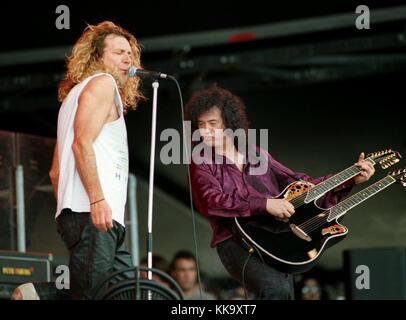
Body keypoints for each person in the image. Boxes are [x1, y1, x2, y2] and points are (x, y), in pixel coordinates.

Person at [186, 85, 375, 300]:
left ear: (229, 124)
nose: (205, 131)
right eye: (201, 125)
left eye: (213, 124)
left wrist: (350, 178)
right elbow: (212, 201)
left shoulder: (256, 154)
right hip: (234, 241)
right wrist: (265, 203)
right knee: (275, 289)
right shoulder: (201, 162)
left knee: (284, 294)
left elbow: (301, 184)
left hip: (275, 237)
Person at [12, 21, 145, 300]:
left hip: (87, 214)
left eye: (129, 53)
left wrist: (69, 210)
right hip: (95, 212)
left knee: (124, 293)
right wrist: (95, 200)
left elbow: (55, 171)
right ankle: (37, 295)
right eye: (118, 52)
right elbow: (81, 143)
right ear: (98, 57)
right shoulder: (103, 83)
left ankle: (35, 295)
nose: (127, 58)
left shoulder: (72, 97)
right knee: (91, 294)